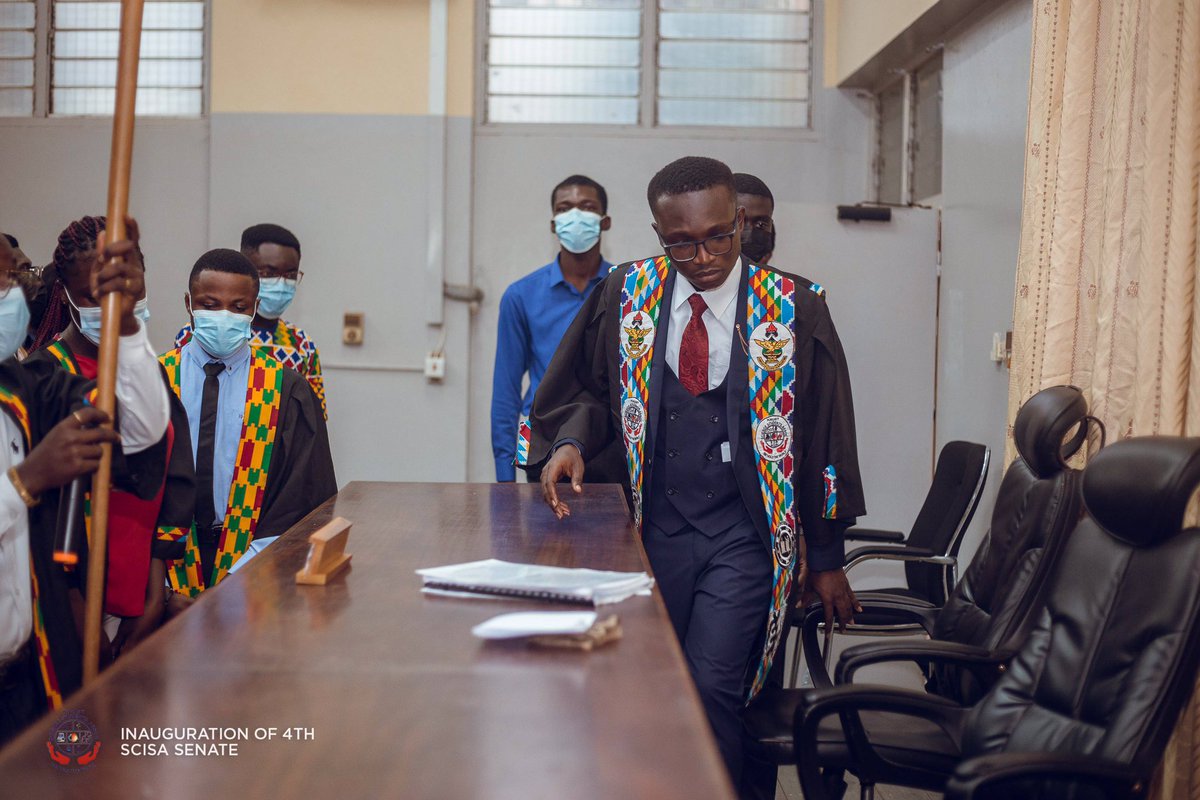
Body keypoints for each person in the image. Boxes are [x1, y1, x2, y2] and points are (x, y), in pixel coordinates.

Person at [520, 156, 865, 793]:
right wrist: (568, 441)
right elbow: (588, 392)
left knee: (711, 686)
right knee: (645, 681)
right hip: (651, 529)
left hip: (746, 533)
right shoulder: (627, 293)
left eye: (717, 236)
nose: (702, 255)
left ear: (739, 223)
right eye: (680, 242)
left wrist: (826, 553)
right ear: (657, 233)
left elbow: (823, 437)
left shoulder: (793, 307)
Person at [0, 226, 169, 745]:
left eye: (14, 277)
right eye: (0, 279)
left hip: (29, 672)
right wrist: (26, 482)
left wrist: (123, 321)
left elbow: (139, 432)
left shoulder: (24, 386)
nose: (12, 294)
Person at [25, 216, 195, 657]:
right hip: (70, 605)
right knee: (79, 726)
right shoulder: (43, 378)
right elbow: (41, 517)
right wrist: (80, 617)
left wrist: (154, 595)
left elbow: (167, 477)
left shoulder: (147, 373)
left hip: (140, 590)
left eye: (126, 293)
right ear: (65, 295)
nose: (113, 306)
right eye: (94, 297)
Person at [160, 248, 336, 603]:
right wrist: (161, 593)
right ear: (188, 304)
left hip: (257, 573)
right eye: (209, 305)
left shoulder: (285, 388)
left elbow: (302, 494)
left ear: (254, 310)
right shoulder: (157, 380)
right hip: (163, 569)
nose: (223, 316)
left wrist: (248, 574)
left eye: (238, 308)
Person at [491, 175, 624, 484]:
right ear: (553, 224)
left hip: (607, 441)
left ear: (605, 222)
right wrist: (504, 478)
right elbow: (506, 392)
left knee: (610, 531)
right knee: (539, 531)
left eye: (587, 207)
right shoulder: (521, 295)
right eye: (565, 208)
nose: (575, 215)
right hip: (540, 438)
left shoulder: (625, 290)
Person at [176, 224, 325, 418]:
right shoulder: (196, 334)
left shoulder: (301, 343)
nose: (281, 284)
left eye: (290, 275)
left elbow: (313, 420)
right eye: (269, 273)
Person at [733, 173, 776, 266]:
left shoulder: (780, 281)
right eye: (738, 220)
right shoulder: (697, 277)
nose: (748, 234)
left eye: (760, 224)